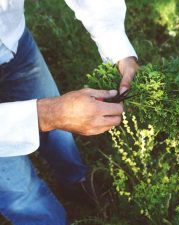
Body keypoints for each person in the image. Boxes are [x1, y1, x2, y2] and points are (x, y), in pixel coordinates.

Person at [0, 0, 139, 224]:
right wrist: (48, 113)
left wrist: (119, 49)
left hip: (13, 41)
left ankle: (76, 181)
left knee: (59, 134)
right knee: (20, 192)